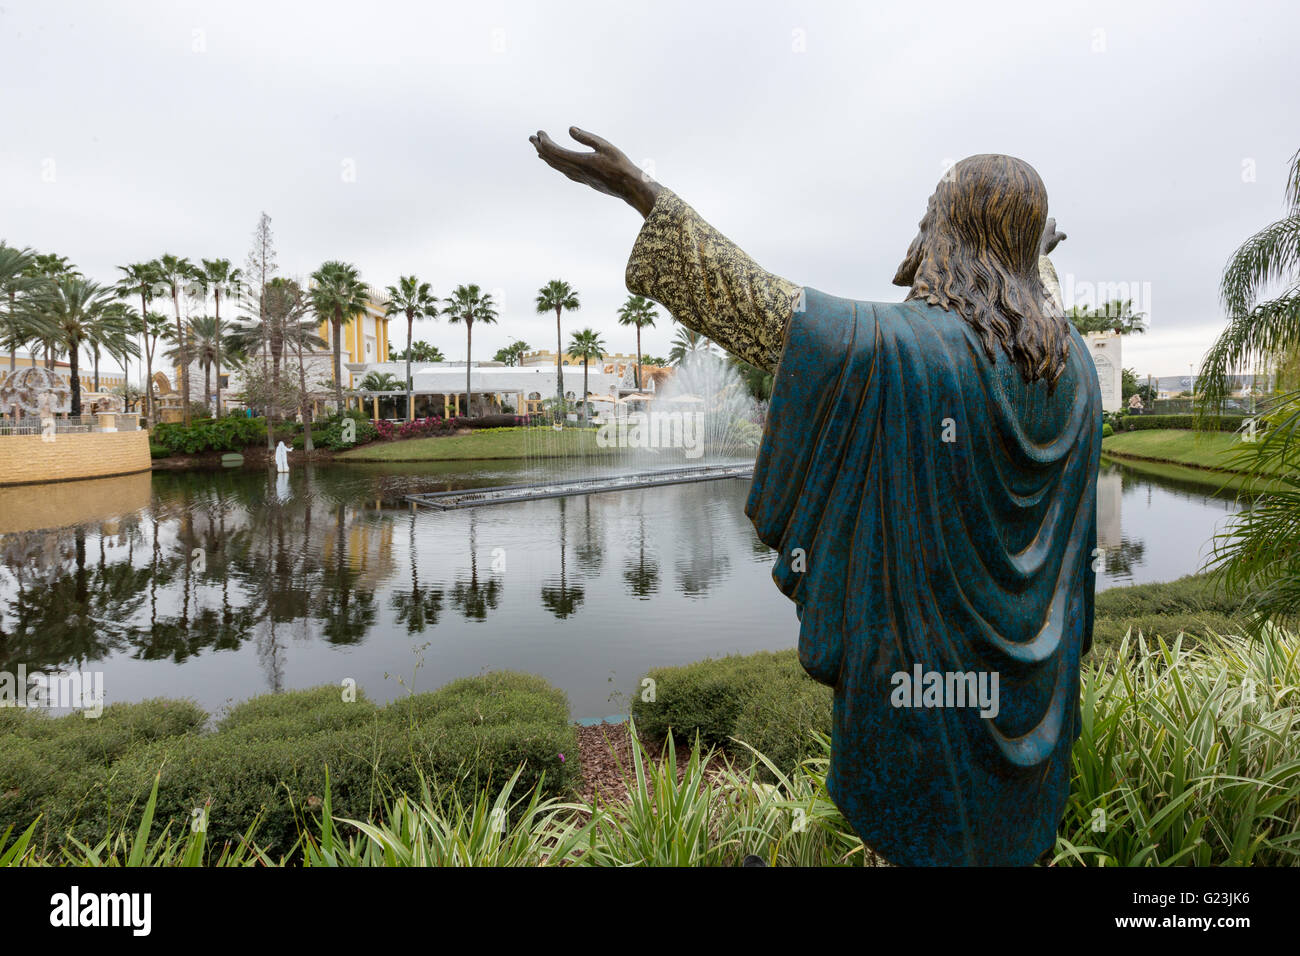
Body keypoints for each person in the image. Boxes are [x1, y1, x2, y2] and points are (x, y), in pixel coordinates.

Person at [531, 128, 1102, 865]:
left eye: (932, 214)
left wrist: (646, 195)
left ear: (950, 233)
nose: (920, 231)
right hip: (1028, 700)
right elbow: (1025, 320)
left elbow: (763, 308)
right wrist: (1037, 260)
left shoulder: (900, 347)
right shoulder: (1074, 367)